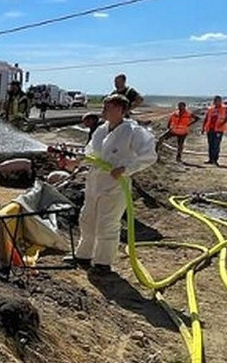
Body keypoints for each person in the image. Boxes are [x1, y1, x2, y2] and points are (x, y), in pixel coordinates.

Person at [64, 94, 157, 274]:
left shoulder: (133, 131)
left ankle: (102, 263)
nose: (103, 111)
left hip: (115, 185)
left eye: (108, 108)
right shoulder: (101, 130)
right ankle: (83, 255)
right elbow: (90, 154)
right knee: (87, 219)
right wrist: (76, 162)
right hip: (95, 183)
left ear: (122, 110)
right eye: (104, 107)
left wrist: (125, 168)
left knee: (107, 223)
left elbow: (149, 156)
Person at [201, 95, 227, 165]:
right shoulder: (210, 109)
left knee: (216, 145)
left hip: (218, 130)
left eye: (218, 101)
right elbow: (206, 118)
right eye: (215, 101)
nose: (216, 102)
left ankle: (215, 159)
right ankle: (210, 159)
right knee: (210, 144)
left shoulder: (225, 108)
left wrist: (222, 123)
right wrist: (203, 128)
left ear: (220, 101)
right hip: (210, 129)